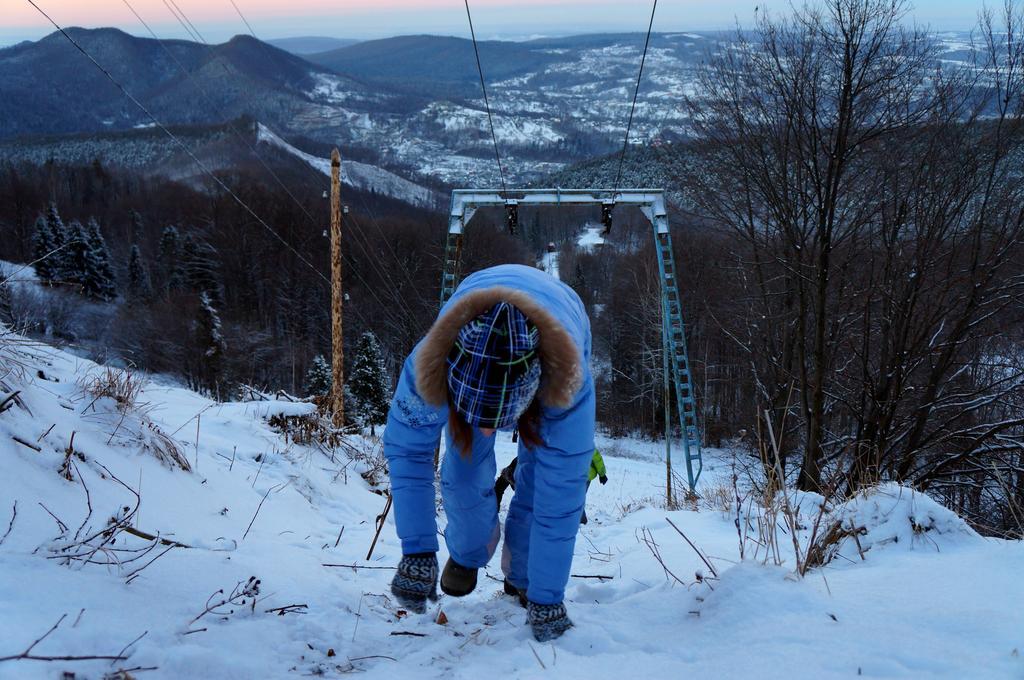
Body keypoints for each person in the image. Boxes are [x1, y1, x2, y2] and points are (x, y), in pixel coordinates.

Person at [383, 264, 595, 643]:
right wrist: (417, 550)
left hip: (565, 318)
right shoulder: (429, 366)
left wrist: (548, 599)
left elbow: (559, 496)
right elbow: (408, 454)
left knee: (538, 479)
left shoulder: (569, 384)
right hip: (474, 315)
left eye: (499, 418)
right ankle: (467, 552)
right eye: (477, 415)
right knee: (463, 471)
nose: (488, 431)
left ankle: (524, 578)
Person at [496, 449, 608, 524]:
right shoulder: (509, 474)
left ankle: (580, 522)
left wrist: (602, 474)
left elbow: (596, 457)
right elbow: (498, 489)